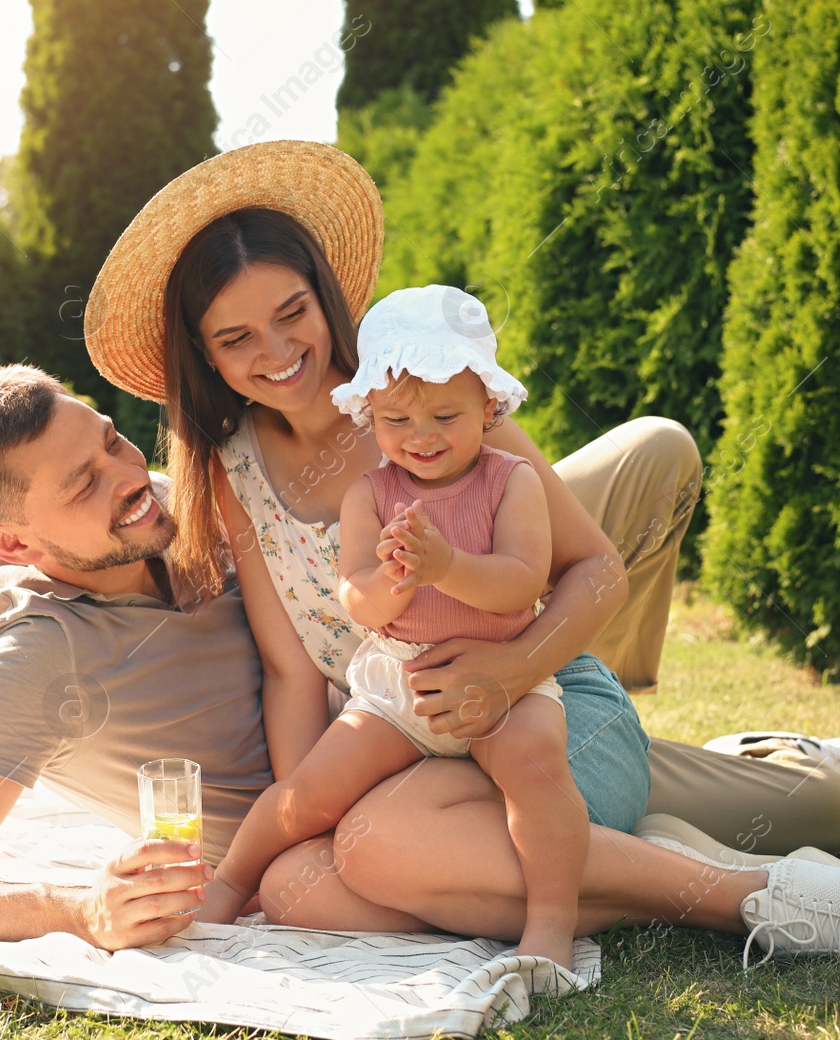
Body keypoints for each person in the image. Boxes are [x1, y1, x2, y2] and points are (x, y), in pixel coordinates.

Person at [77, 138, 840, 968]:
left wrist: (509, 669)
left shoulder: (427, 405)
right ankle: (634, 857)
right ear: (204, 353)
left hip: (533, 706)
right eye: (235, 339)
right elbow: (294, 673)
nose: (275, 352)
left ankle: (758, 893)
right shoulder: (233, 474)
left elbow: (595, 568)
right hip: (404, 736)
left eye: (290, 312)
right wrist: (308, 824)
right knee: (308, 884)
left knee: (834, 806)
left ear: (325, 295)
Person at [0, 362, 840, 976]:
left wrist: (518, 638)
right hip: (398, 774)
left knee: (653, 448)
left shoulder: (206, 498)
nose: (129, 479)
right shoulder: (38, 656)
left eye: (112, 443)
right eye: (81, 486)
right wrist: (73, 903)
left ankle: (634, 736)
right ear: (10, 542)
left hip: (463, 680)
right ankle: (731, 841)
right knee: (829, 808)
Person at [197, 284, 598, 972]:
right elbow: (358, 597)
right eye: (395, 420)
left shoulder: (511, 481)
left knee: (538, 771)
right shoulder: (372, 495)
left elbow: (522, 582)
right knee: (310, 791)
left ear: (489, 406)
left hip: (503, 683)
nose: (423, 437)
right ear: (369, 415)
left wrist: (446, 565)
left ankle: (550, 923)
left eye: (446, 414)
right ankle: (230, 882)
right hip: (395, 686)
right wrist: (393, 582)